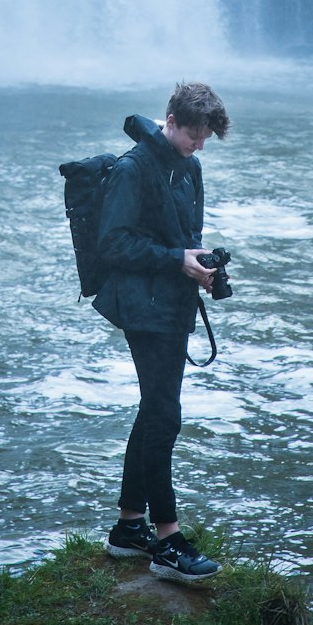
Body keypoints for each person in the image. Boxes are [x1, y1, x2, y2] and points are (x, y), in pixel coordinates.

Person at [92, 81, 230, 584]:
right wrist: (178, 261)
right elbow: (113, 244)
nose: (199, 144)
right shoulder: (133, 169)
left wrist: (200, 265)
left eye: (205, 137)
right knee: (164, 416)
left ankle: (129, 528)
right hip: (141, 307)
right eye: (194, 134)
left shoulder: (188, 166)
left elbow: (182, 239)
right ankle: (167, 540)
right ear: (170, 121)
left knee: (154, 411)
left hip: (171, 304)